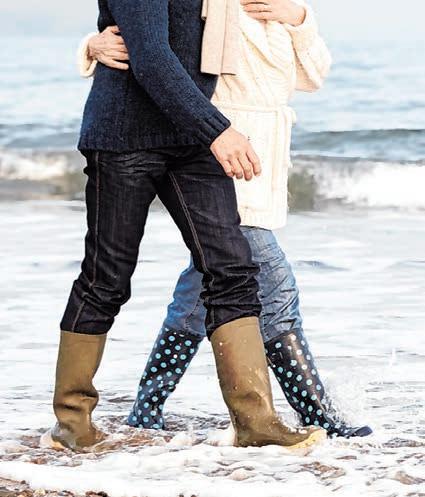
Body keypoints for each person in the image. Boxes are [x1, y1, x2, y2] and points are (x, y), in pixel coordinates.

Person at [43, 0, 327, 452]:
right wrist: (219, 131)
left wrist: (298, 17)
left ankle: (256, 424)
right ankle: (72, 423)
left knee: (232, 269)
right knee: (106, 280)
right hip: (126, 137)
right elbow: (151, 57)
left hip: (189, 135)